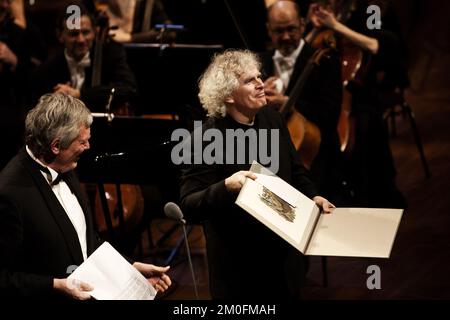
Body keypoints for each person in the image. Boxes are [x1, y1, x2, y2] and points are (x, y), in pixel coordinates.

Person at [179, 50, 333, 299]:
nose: (261, 83)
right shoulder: (204, 139)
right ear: (228, 95)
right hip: (240, 269)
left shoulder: (272, 118)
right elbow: (189, 205)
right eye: (250, 80)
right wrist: (226, 186)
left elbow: (296, 169)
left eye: (259, 76)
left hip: (283, 258)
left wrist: (314, 196)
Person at [0, 93, 171, 299]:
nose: (87, 147)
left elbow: (87, 239)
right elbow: (4, 277)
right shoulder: (8, 193)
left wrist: (131, 268)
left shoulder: (65, 164)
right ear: (56, 146)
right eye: (82, 142)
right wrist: (56, 285)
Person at [308, 0, 406, 208]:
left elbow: (375, 44)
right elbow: (308, 52)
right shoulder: (331, 9)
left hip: (362, 93)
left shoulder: (370, 8)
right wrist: (315, 28)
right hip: (332, 90)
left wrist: (335, 25)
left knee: (364, 125)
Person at [260, 0, 344, 203]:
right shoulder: (260, 63)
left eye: (291, 29)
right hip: (271, 158)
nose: (286, 36)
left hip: (317, 159)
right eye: (279, 31)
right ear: (268, 30)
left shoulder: (326, 59)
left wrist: (289, 103)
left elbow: (330, 113)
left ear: (302, 24)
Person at [32, 5, 137, 112]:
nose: (81, 40)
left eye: (86, 32)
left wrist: (80, 95)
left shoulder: (111, 53)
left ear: (94, 32)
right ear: (60, 35)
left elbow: (129, 89)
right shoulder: (46, 70)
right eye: (74, 34)